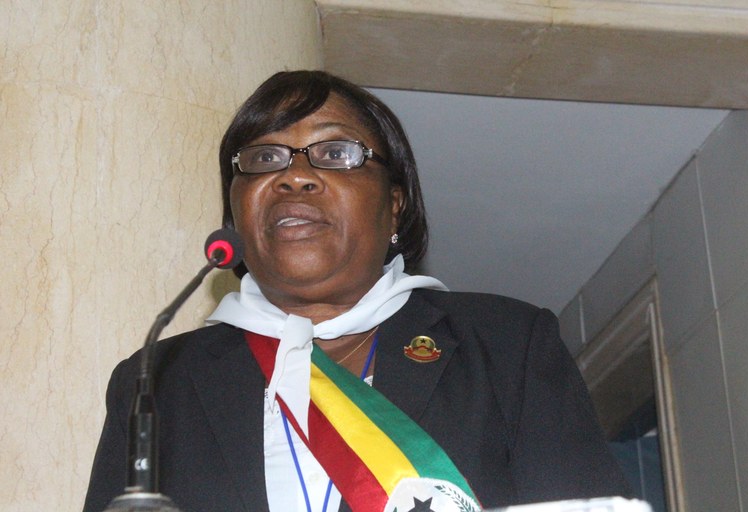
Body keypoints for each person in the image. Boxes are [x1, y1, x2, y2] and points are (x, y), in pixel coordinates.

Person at [84, 70, 630, 512]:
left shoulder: (505, 345)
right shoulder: (157, 381)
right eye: (264, 158)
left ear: (395, 204)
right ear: (236, 214)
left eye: (336, 153)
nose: (294, 177)